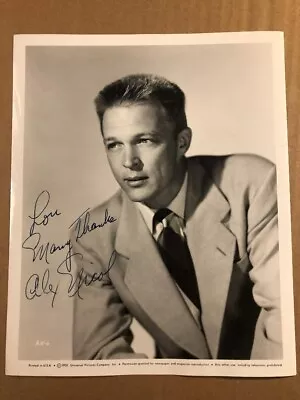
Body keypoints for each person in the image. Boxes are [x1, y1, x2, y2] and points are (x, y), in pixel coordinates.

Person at [71, 74, 282, 360]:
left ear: (182, 142)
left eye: (144, 140)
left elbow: (287, 318)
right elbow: (98, 354)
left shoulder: (252, 184)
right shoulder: (95, 236)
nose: (128, 162)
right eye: (114, 145)